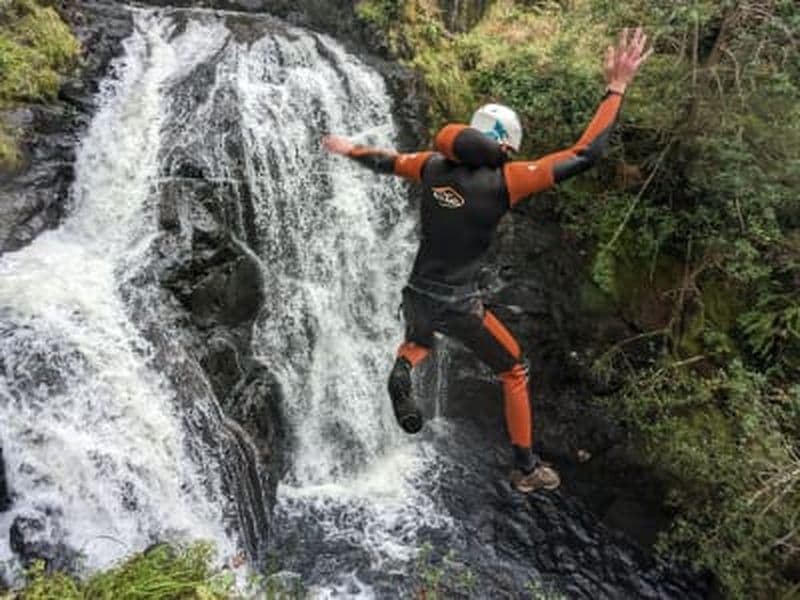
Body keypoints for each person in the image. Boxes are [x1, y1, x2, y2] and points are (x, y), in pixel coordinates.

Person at [322, 28, 652, 493]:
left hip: (417, 292)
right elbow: (585, 153)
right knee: (515, 370)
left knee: (420, 341)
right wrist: (616, 88)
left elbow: (385, 160)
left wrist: (348, 149)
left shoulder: (429, 165)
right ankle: (526, 467)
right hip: (459, 303)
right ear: (505, 145)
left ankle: (402, 370)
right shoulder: (508, 180)